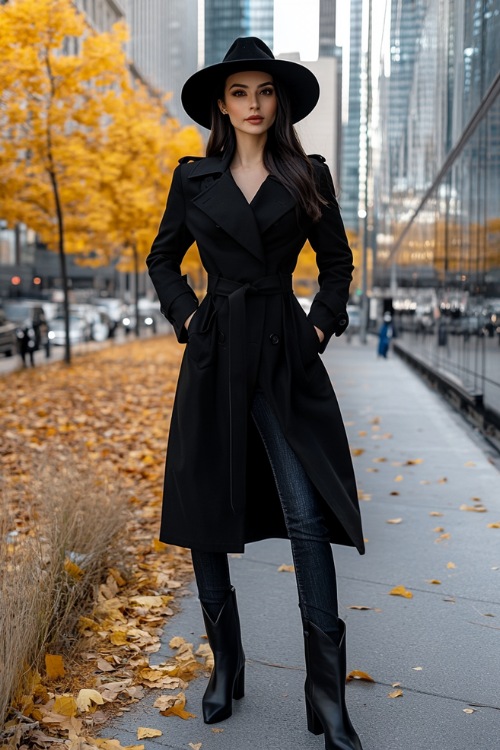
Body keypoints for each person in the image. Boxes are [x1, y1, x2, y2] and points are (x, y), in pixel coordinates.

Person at [147, 37, 364, 750]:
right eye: (239, 92)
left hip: (283, 352)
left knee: (307, 513)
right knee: (205, 506)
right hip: (213, 350)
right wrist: (186, 318)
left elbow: (337, 266)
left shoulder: (308, 175)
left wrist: (319, 331)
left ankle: (325, 693)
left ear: (280, 102)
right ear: (221, 102)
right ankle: (226, 664)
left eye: (264, 92)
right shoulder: (194, 178)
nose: (252, 105)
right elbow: (163, 257)